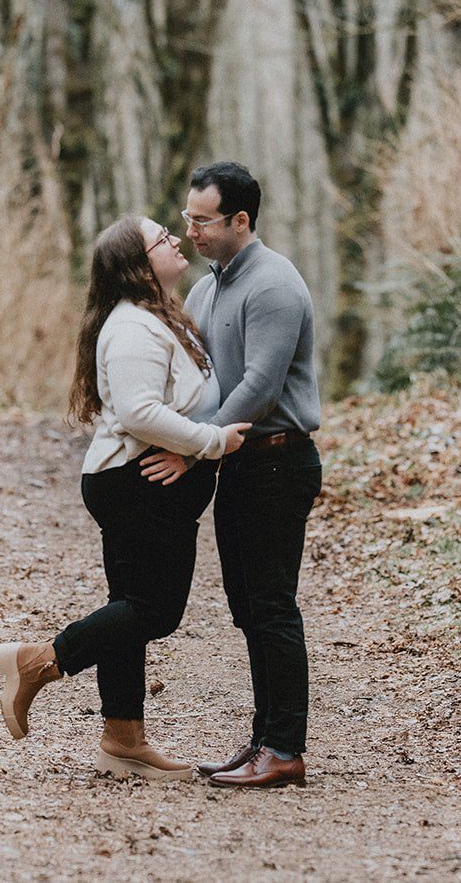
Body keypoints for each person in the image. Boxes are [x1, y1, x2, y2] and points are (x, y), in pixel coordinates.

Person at [0, 215, 251, 780]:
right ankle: (36, 662)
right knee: (154, 611)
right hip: (136, 485)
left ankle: (122, 738)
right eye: (162, 238)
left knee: (128, 608)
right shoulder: (133, 326)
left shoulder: (161, 318)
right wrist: (211, 443)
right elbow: (139, 412)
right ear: (138, 264)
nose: (176, 240)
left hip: (145, 484)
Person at [140, 161, 322, 790]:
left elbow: (258, 387)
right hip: (238, 463)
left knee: (271, 605)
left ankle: (286, 749)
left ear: (241, 220)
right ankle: (262, 742)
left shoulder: (273, 285)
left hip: (277, 459)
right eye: (186, 217)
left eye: (202, 220)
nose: (189, 230)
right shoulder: (209, 286)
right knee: (248, 608)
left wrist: (191, 449)